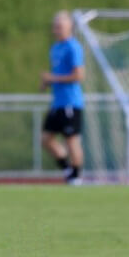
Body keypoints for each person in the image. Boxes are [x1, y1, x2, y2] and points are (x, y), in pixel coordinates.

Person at [40, 10, 85, 184]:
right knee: (45, 139)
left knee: (71, 140)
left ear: (69, 27)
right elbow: (57, 74)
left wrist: (54, 78)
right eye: (54, 27)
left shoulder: (73, 47)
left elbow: (79, 75)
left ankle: (76, 176)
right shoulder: (55, 48)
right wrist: (46, 82)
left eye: (59, 26)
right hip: (57, 103)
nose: (55, 30)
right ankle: (67, 169)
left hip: (71, 102)